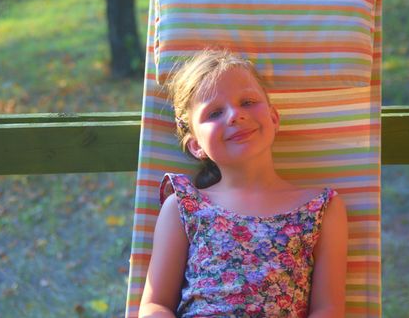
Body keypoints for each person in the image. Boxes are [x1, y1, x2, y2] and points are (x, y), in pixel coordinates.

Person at [139, 49, 348, 317]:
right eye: (214, 113)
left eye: (248, 102)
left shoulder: (320, 209)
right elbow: (155, 305)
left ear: (274, 118)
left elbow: (328, 309)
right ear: (196, 146)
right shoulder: (184, 206)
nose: (235, 115)